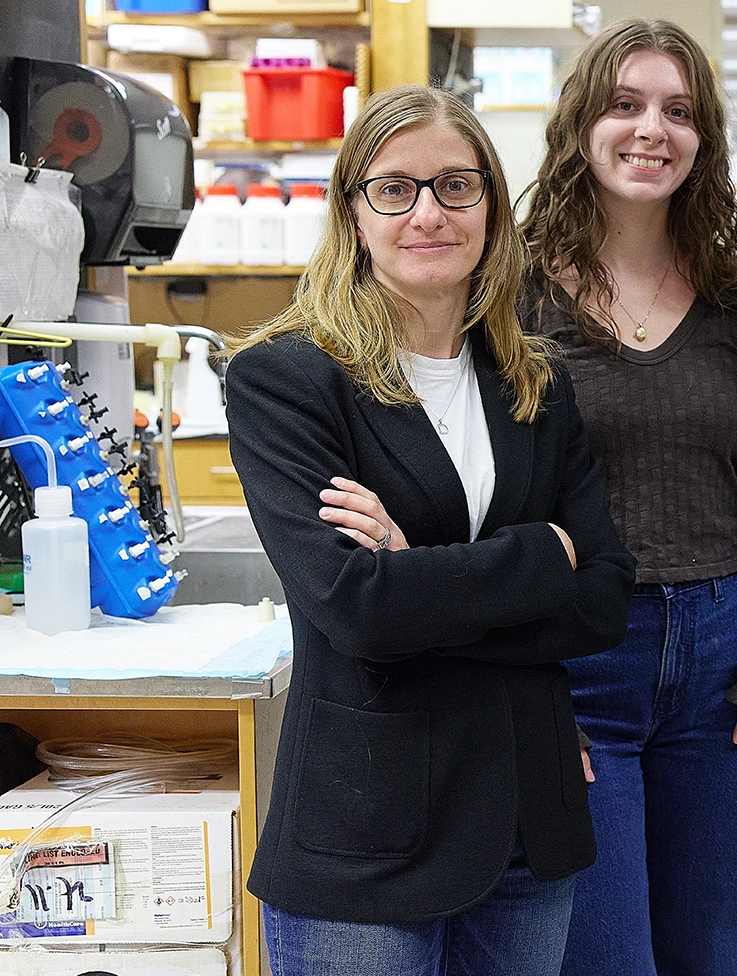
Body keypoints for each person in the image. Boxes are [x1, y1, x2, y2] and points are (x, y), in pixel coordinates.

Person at [225, 85, 635, 976]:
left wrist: (423, 576)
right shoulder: (288, 379)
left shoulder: (535, 381)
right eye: (394, 189)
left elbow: (604, 597)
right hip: (369, 831)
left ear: (491, 204)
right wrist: (538, 556)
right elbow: (359, 611)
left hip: (529, 816)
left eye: (456, 185)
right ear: (353, 211)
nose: (428, 213)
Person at [518, 18, 737, 976]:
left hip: (722, 664)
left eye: (678, 111)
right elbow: (491, 503)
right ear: (582, 124)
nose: (651, 129)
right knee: (605, 958)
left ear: (704, 141)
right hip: (580, 661)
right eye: (625, 104)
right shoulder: (516, 293)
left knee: (707, 952)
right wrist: (518, 690)